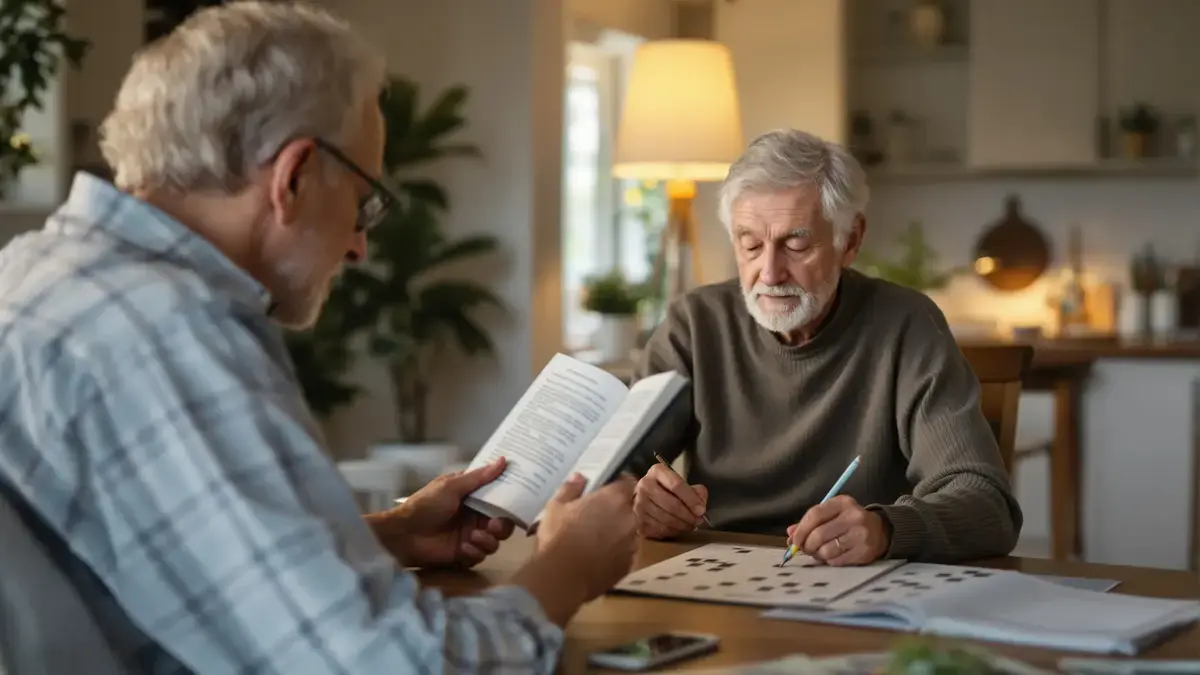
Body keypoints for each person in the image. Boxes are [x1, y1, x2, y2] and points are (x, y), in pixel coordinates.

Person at [0, 3, 638, 673]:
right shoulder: (167, 331)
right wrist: (567, 568)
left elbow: (169, 561)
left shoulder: (34, 268)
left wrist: (386, 535)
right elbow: (391, 664)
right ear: (294, 177)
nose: (360, 246)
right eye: (364, 200)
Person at [631, 128, 1023, 565]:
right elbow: (611, 471)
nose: (770, 272)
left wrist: (886, 529)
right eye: (751, 244)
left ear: (849, 241)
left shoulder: (907, 326)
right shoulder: (694, 324)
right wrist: (642, 500)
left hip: (858, 587)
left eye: (795, 244)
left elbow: (988, 505)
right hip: (718, 578)